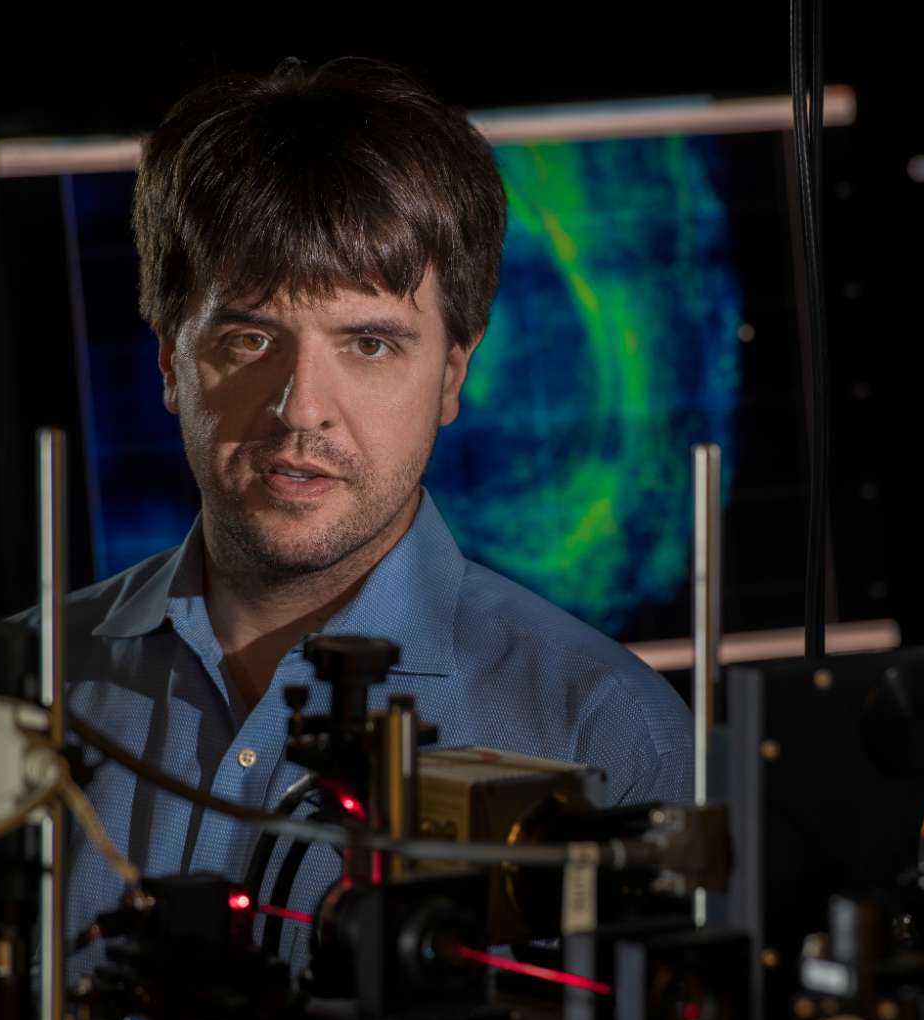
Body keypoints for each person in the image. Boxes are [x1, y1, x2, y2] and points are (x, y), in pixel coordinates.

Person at [54, 57, 693, 970]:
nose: (301, 407)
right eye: (248, 338)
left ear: (452, 374)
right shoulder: (15, 696)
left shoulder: (601, 732)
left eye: (368, 343)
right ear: (168, 364)